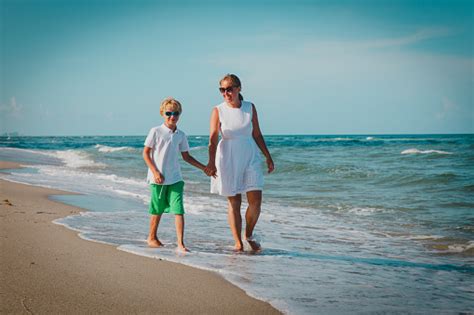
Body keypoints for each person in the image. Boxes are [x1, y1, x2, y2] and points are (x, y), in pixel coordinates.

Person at [206, 74, 274, 251]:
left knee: (256, 201)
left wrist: (268, 155)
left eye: (229, 89)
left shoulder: (250, 107)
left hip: (250, 155)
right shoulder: (218, 110)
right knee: (234, 202)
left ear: (238, 88)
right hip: (228, 157)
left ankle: (248, 234)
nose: (226, 93)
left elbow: (257, 134)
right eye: (222, 89)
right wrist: (211, 162)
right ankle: (238, 242)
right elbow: (213, 139)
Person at [143, 97, 208, 252]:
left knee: (178, 210)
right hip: (157, 178)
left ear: (180, 114)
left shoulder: (181, 135)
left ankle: (181, 243)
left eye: (176, 113)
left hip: (176, 178)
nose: (172, 116)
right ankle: (151, 237)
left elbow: (186, 157)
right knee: (157, 209)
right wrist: (155, 171)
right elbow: (145, 154)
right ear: (162, 113)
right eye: (169, 113)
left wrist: (204, 168)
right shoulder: (156, 131)